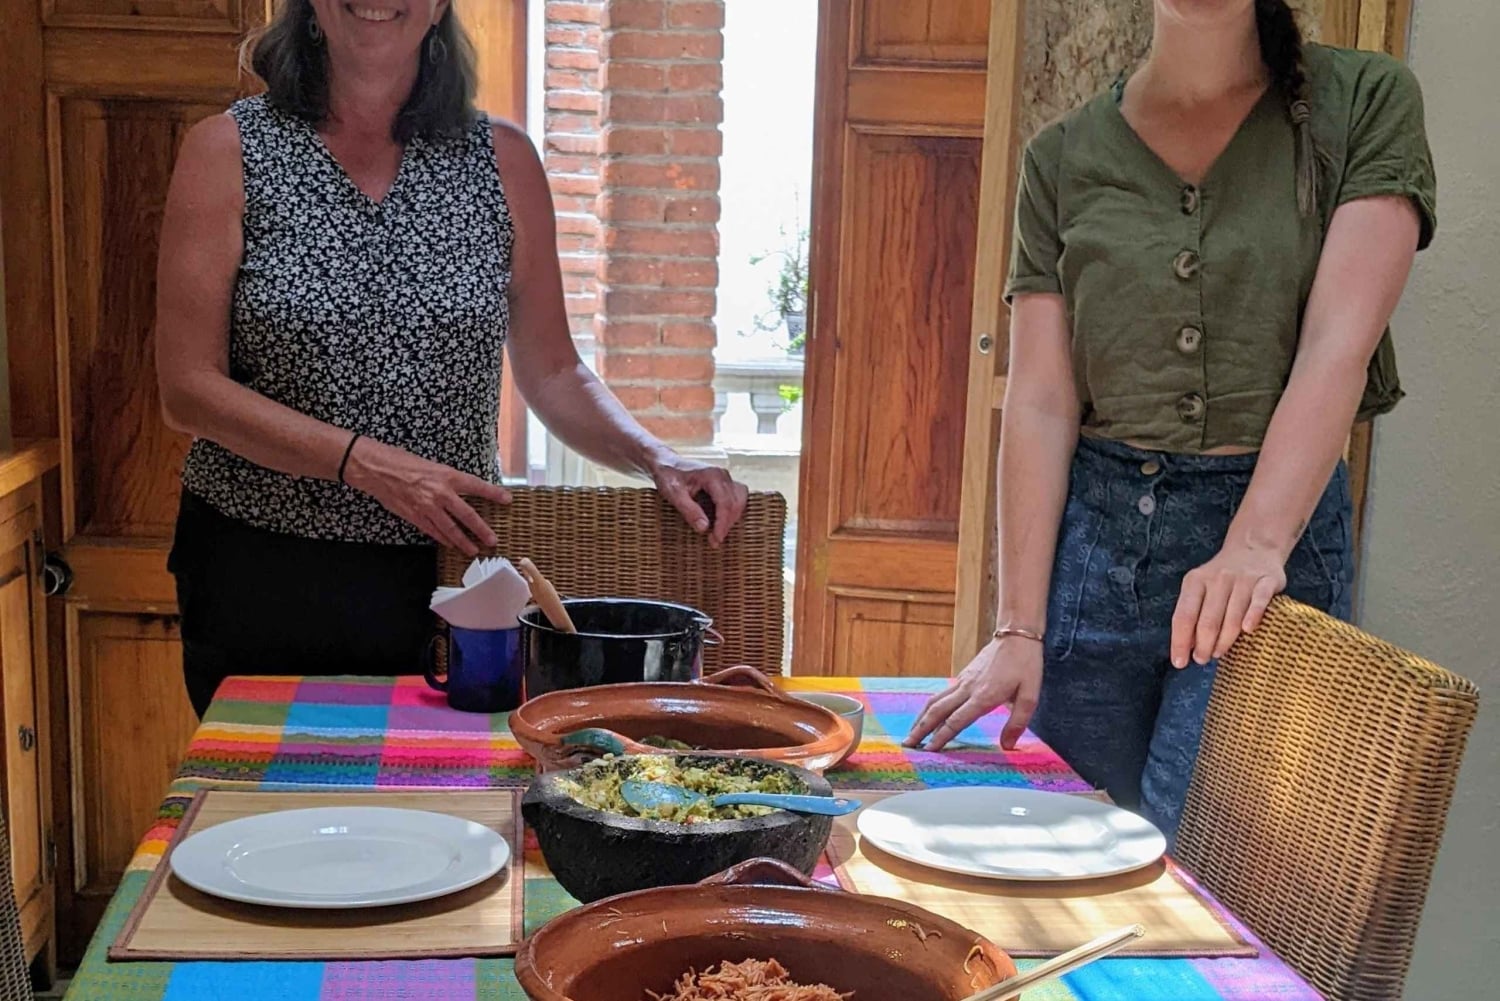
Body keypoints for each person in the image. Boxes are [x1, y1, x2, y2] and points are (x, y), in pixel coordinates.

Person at [905, 0, 1434, 843]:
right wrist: (1018, 626)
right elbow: (1042, 401)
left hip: (1275, 560)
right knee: (1068, 859)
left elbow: (1339, 343)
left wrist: (1257, 545)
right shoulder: (1060, 158)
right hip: (1096, 557)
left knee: (1225, 882)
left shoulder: (1365, 102)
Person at [156, 0, 748, 718]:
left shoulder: (504, 161)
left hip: (453, 580)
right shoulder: (226, 151)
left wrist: (658, 456)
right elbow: (186, 388)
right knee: (265, 814)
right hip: (261, 574)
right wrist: (369, 464)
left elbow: (554, 370)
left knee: (451, 807)